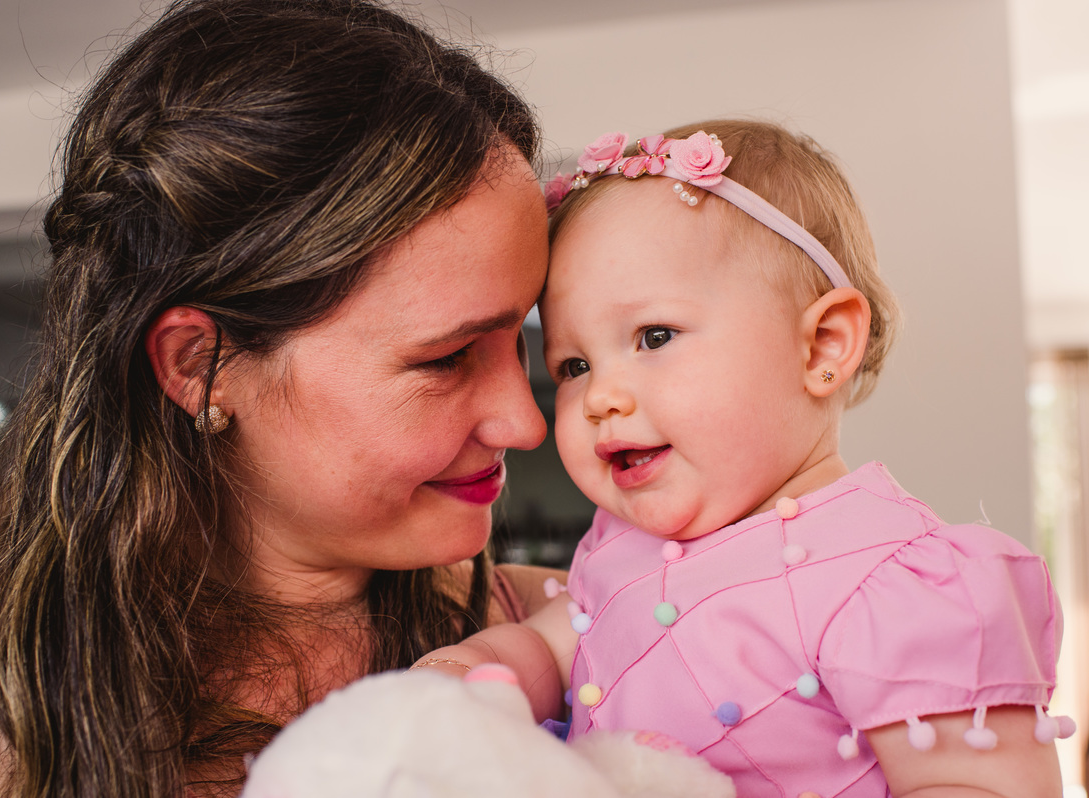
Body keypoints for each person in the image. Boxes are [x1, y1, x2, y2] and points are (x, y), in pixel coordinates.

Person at [0, 1, 564, 795]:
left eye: (517, 338)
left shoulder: (578, 632)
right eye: (449, 357)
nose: (526, 423)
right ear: (198, 364)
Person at [414, 119, 1070, 796]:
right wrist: (473, 670)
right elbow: (551, 648)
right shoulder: (621, 550)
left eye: (654, 335)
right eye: (574, 364)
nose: (600, 397)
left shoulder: (899, 585)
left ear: (822, 347)